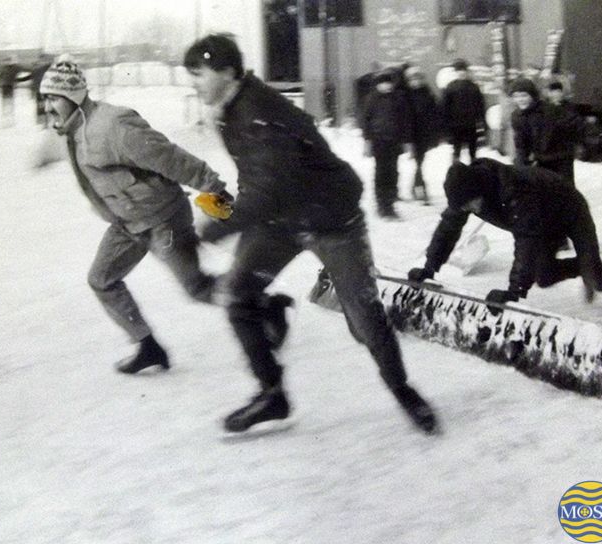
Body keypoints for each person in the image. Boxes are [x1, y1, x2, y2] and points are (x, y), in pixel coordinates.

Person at [183, 34, 438, 435]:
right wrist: (218, 209)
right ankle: (272, 396)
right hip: (282, 221)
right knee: (238, 294)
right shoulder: (231, 109)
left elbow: (268, 191)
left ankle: (404, 390)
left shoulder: (257, 112)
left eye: (198, 74)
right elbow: (257, 182)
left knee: (364, 317)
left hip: (330, 220)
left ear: (227, 71)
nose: (193, 83)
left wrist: (214, 225)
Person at [37, 59, 289, 374]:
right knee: (102, 280)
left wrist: (220, 205)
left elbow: (175, 160)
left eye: (54, 97)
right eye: (44, 98)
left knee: (196, 288)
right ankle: (147, 346)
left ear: (74, 96)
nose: (47, 106)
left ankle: (266, 308)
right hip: (127, 223)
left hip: (163, 221)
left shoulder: (114, 126)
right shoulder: (69, 131)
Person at [407, 158, 602, 308]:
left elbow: (526, 240)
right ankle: (585, 266)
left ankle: (591, 270)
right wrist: (430, 267)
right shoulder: (466, 194)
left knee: (599, 280)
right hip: (541, 223)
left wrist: (514, 290)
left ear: (479, 190)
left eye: (470, 205)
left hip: (570, 210)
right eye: (464, 208)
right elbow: (447, 229)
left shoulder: (513, 190)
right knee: (544, 277)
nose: (470, 211)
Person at [510, 78, 583, 185]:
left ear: (532, 96)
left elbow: (575, 123)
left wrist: (570, 143)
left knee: (563, 189)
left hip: (561, 157)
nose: (520, 99)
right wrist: (520, 166)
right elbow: (521, 143)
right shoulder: (516, 116)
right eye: (516, 96)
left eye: (524, 95)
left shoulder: (548, 110)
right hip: (541, 159)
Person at [362, 69, 413, 218]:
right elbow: (366, 121)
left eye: (388, 83)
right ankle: (381, 204)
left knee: (393, 172)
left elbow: (405, 121)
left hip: (394, 141)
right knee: (380, 172)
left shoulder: (398, 98)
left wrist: (406, 140)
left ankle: (389, 204)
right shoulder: (371, 99)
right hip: (378, 141)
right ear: (377, 85)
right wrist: (367, 140)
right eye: (382, 83)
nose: (386, 86)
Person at [403, 65, 442, 204]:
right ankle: (421, 189)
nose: (416, 82)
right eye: (413, 79)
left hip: (424, 134)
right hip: (412, 135)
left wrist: (435, 133)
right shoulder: (406, 95)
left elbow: (434, 114)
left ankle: (415, 187)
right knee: (419, 162)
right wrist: (406, 138)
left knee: (420, 162)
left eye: (418, 79)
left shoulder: (428, 94)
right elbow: (405, 117)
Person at [442, 59, 485, 163]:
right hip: (456, 123)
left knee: (472, 148)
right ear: (455, 72)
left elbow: (480, 104)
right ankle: (456, 169)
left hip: (471, 123)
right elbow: (445, 106)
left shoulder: (474, 87)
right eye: (458, 71)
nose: (461, 73)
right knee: (456, 148)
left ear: (466, 72)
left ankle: (474, 168)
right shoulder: (450, 87)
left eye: (463, 70)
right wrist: (446, 122)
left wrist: (481, 120)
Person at [0, 56, 29, 126]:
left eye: (8, 61)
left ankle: (11, 119)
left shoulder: (15, 67)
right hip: (4, 86)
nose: (7, 62)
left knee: (10, 103)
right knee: (4, 103)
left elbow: (23, 68)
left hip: (10, 86)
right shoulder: (2, 68)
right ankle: (4, 119)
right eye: (5, 61)